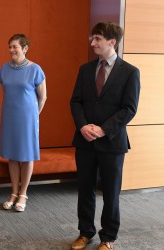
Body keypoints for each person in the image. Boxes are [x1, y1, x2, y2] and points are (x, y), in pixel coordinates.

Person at [70, 22, 140, 250]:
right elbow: (76, 101)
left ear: (112, 42)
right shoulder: (85, 69)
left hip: (112, 142)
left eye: (97, 39)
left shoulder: (130, 72)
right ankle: (85, 232)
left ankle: (108, 237)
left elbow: (129, 109)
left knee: (111, 192)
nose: (92, 43)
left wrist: (102, 129)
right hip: (85, 141)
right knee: (85, 189)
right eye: (93, 38)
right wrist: (82, 126)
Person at [0, 34, 47, 212]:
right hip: (10, 116)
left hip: (27, 118)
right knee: (12, 155)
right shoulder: (4, 68)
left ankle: (23, 194)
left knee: (26, 156)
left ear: (25, 48)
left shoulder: (35, 69)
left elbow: (43, 97)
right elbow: (7, 91)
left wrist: (34, 116)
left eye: (15, 47)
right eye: (10, 46)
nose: (11, 50)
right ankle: (13, 192)